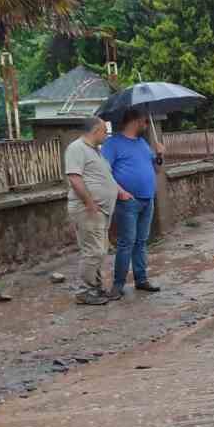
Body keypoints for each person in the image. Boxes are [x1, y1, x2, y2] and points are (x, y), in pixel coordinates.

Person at [102, 108, 166, 295]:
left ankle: (141, 279)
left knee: (141, 241)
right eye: (145, 121)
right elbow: (105, 172)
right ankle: (118, 284)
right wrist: (120, 191)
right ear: (136, 121)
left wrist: (160, 156)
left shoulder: (143, 144)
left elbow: (157, 170)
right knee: (126, 242)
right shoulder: (112, 143)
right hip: (128, 201)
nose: (147, 125)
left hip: (148, 199)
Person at [64, 117, 121, 305]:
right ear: (96, 130)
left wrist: (119, 192)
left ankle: (95, 289)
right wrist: (89, 203)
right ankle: (85, 290)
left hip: (101, 210)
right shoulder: (77, 148)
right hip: (88, 209)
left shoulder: (96, 151)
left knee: (99, 250)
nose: (107, 135)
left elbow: (104, 177)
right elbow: (74, 178)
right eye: (105, 131)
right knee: (94, 251)